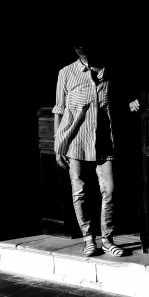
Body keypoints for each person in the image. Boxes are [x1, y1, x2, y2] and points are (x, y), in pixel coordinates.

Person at [53, 37, 139, 257]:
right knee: (79, 192)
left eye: (84, 40)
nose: (80, 45)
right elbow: (59, 110)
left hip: (103, 140)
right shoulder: (66, 73)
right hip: (75, 141)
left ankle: (107, 239)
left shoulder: (109, 71)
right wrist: (58, 144)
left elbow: (122, 95)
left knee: (109, 190)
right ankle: (88, 239)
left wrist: (131, 101)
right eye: (75, 42)